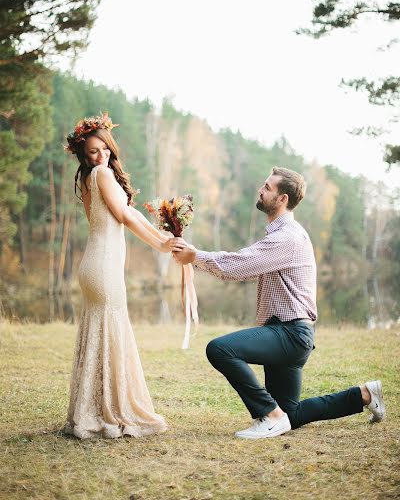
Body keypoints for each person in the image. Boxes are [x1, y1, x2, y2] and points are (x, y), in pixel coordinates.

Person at [171, 166, 385, 439]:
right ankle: (365, 395)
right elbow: (246, 267)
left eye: (267, 187)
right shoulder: (281, 235)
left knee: (220, 349)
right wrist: (194, 257)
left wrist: (196, 256)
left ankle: (269, 416)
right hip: (288, 333)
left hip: (290, 333)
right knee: (291, 414)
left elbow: (240, 265)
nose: (261, 189)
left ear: (282, 199)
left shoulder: (287, 238)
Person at [64, 113, 175, 439]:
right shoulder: (101, 175)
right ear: (85, 156)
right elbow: (126, 216)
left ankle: (90, 410)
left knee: (99, 335)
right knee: (111, 335)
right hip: (102, 267)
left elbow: (125, 215)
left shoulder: (89, 179)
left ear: (111, 146)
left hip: (93, 265)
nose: (101, 156)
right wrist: (162, 244)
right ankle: (111, 411)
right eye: (93, 152)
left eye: (105, 149)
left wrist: (161, 242)